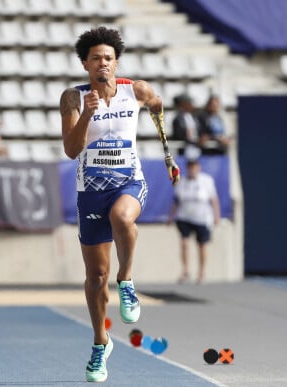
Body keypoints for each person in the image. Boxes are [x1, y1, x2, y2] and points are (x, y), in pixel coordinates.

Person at [59, 26, 180, 383]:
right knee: (96, 277)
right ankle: (100, 344)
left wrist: (168, 154)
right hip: (91, 190)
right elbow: (70, 150)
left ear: (116, 63)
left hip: (130, 181)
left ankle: (126, 280)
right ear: (85, 64)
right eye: (95, 58)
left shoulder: (135, 90)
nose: (103, 64)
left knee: (122, 217)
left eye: (108, 58)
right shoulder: (73, 98)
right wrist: (86, 115)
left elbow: (157, 107)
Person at [169, 158, 220, 284]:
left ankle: (201, 272)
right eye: (190, 167)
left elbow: (214, 200)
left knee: (201, 245)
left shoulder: (206, 181)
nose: (192, 170)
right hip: (185, 216)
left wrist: (216, 216)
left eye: (194, 167)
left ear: (198, 167)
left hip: (202, 218)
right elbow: (176, 201)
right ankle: (185, 271)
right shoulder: (182, 182)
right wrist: (170, 217)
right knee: (184, 243)